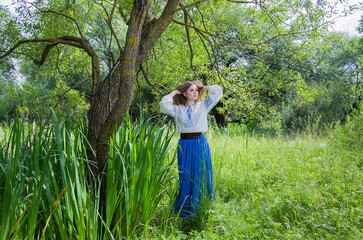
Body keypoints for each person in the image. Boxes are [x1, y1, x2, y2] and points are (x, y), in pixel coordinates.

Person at [159, 81, 223, 218]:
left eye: (196, 90)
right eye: (191, 90)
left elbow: (218, 91)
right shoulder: (178, 109)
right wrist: (175, 92)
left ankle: (202, 206)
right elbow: (163, 105)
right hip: (185, 145)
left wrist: (203, 88)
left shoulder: (203, 106)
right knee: (186, 175)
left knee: (201, 173)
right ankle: (186, 207)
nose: (195, 93)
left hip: (199, 143)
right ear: (184, 93)